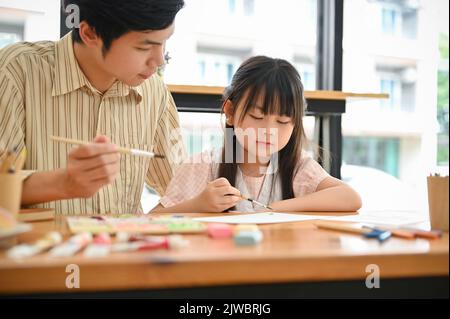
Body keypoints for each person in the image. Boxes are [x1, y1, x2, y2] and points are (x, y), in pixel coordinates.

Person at [0, 0, 186, 215]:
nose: (159, 60)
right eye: (144, 47)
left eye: (164, 43)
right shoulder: (15, 72)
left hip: (124, 245)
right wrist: (63, 183)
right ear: (90, 33)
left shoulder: (153, 90)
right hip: (43, 245)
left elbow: (178, 186)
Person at [152, 56, 362, 213]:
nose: (269, 130)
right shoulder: (203, 166)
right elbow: (151, 219)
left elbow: (351, 198)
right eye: (257, 116)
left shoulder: (298, 167)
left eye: (282, 121)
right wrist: (198, 205)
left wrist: (275, 209)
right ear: (231, 113)